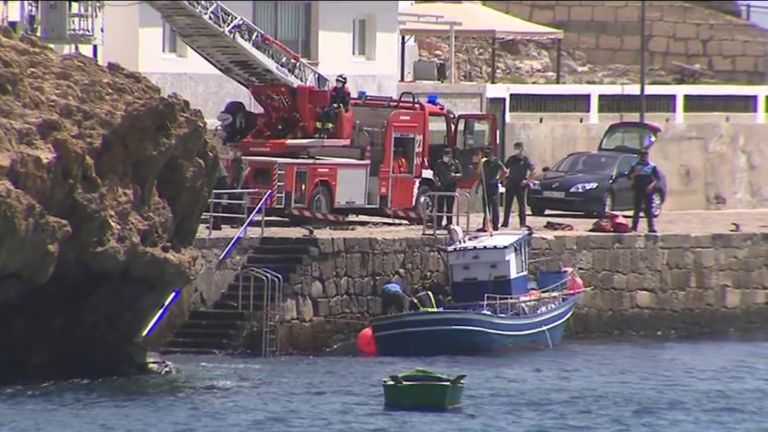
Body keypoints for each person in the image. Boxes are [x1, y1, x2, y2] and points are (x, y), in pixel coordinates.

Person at [502, 141, 536, 229]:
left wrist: (527, 181)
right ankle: (505, 223)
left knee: (521, 205)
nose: (517, 150)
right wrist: (504, 180)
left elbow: (533, 171)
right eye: (515, 148)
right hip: (511, 182)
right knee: (508, 204)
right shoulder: (512, 159)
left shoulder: (525, 160)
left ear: (522, 149)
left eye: (518, 148)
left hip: (521, 184)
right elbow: (503, 169)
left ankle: (523, 223)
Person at [628, 149, 660, 233]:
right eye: (642, 155)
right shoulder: (634, 166)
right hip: (638, 189)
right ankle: (634, 227)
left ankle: (651, 227)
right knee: (637, 209)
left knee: (649, 209)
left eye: (645, 155)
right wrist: (635, 173)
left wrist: (651, 186)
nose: (644, 157)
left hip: (648, 190)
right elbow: (629, 177)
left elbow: (656, 179)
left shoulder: (652, 166)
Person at [476, 146, 507, 232]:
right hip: (485, 186)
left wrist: (499, 179)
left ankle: (495, 225)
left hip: (493, 186)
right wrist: (477, 187)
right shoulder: (483, 162)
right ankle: (485, 225)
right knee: (486, 207)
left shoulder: (496, 162)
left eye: (487, 152)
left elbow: (505, 171)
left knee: (494, 206)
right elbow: (480, 175)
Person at [433, 147, 463, 228]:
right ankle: (438, 224)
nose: (445, 157)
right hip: (441, 187)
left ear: (450, 155)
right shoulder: (439, 163)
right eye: (444, 155)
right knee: (440, 207)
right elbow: (435, 174)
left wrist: (455, 176)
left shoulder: (455, 163)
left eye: (447, 155)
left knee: (449, 206)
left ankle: (449, 223)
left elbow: (461, 174)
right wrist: (437, 182)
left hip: (451, 187)